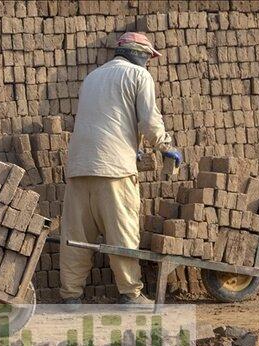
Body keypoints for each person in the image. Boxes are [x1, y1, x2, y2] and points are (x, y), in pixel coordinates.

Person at [60, 32, 182, 309]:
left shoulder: (92, 77)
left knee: (76, 237)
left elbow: (105, 119)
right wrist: (165, 147)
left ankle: (70, 296)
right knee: (122, 233)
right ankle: (130, 294)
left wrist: (132, 146)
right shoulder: (139, 76)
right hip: (114, 170)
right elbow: (149, 121)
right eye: (148, 58)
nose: (148, 64)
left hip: (79, 166)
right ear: (140, 54)